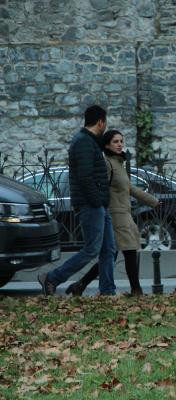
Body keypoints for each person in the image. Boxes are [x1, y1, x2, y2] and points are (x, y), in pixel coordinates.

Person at [65, 129, 159, 296]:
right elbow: (100, 186)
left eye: (121, 141)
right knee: (128, 251)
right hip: (115, 214)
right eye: (115, 141)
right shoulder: (107, 164)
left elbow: (130, 188)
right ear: (107, 144)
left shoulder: (118, 164)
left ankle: (80, 285)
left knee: (110, 256)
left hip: (124, 213)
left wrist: (153, 201)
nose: (120, 144)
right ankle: (136, 290)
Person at [38, 105, 116, 295]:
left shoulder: (88, 141)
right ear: (101, 122)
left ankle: (107, 291)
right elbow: (85, 177)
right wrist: (97, 201)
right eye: (105, 123)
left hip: (98, 205)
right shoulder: (83, 142)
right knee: (92, 249)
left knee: (109, 250)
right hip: (90, 205)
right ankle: (53, 277)